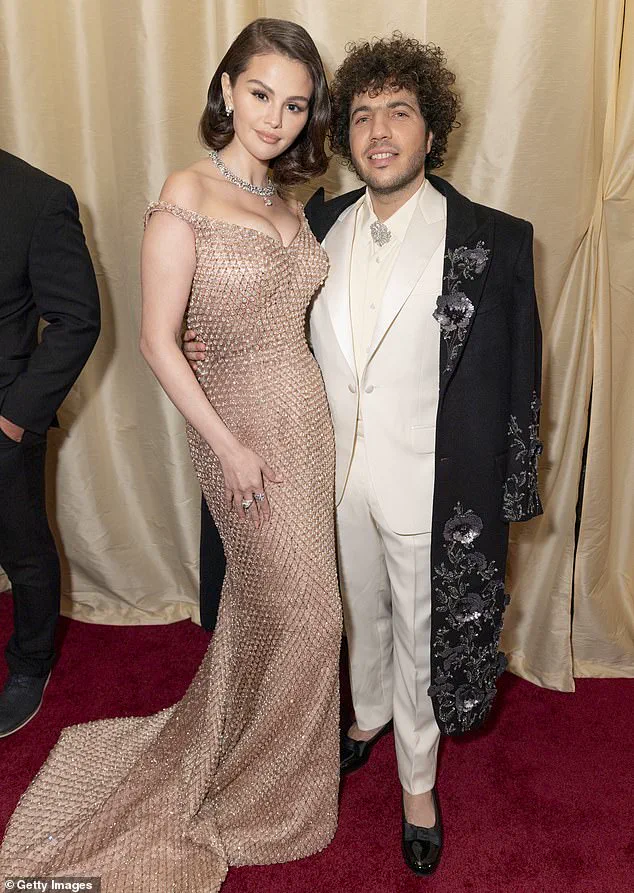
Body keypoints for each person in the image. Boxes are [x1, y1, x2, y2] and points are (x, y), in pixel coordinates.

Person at [185, 34, 543, 875]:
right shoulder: (313, 223)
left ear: (431, 130)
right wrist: (207, 346)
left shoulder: (494, 240)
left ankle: (417, 783)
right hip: (324, 476)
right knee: (355, 613)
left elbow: (520, 375)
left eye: (400, 112)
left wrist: (512, 489)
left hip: (434, 487)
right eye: (363, 115)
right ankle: (367, 713)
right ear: (344, 133)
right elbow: (265, 318)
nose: (380, 131)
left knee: (422, 634)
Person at [0, 19, 341, 893]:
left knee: (278, 611)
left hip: (306, 420)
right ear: (226, 89)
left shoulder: (292, 203)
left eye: (294, 104)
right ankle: (256, 789)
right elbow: (159, 341)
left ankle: (261, 763)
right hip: (237, 431)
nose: (274, 118)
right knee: (310, 616)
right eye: (259, 93)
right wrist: (227, 446)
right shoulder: (185, 190)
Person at [0, 149, 100, 738]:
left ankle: (30, 664)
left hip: (3, 420)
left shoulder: (38, 196)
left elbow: (78, 319)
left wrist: (14, 419)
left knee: (24, 552)